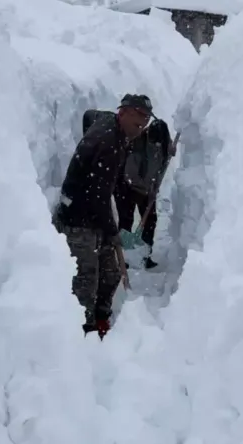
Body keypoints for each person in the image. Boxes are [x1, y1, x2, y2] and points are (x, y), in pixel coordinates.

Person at [52, 93, 154, 339]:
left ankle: (101, 317)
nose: (139, 131)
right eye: (137, 124)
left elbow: (89, 116)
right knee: (86, 279)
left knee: (110, 271)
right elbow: (99, 199)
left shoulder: (107, 120)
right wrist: (113, 233)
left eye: (144, 126)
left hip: (93, 212)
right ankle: (83, 333)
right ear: (124, 112)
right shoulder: (110, 144)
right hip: (77, 218)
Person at [114, 117, 177, 269]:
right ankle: (123, 258)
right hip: (126, 187)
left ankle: (145, 254)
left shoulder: (162, 141)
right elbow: (130, 175)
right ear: (149, 135)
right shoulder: (137, 145)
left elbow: (168, 150)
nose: (156, 145)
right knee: (126, 222)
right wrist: (147, 188)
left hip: (147, 189)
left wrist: (171, 150)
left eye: (159, 143)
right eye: (154, 142)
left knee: (150, 221)